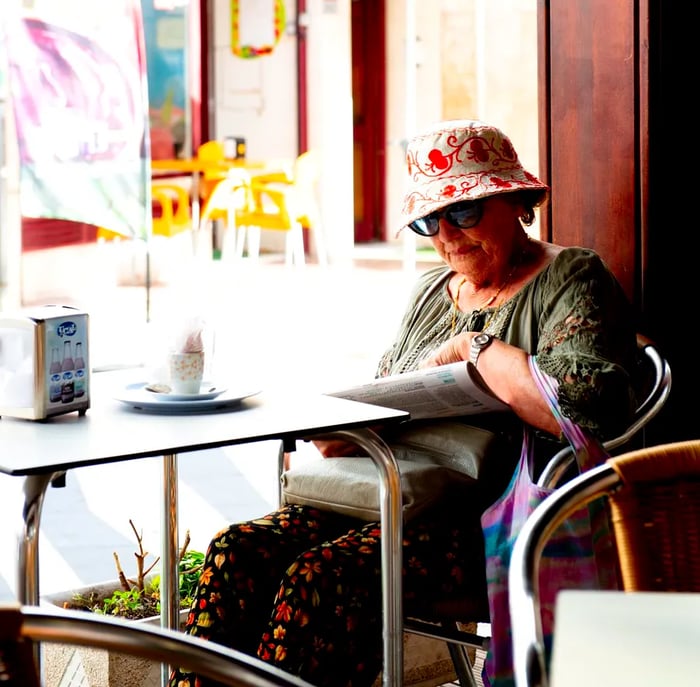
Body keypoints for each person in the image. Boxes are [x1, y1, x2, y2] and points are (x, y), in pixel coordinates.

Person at [168, 119, 641, 687]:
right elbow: (385, 396)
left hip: (488, 515)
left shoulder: (570, 275)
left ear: (518, 201)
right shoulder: (428, 291)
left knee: (319, 576)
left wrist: (477, 350)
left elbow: (582, 415)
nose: (447, 235)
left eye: (464, 212)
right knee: (235, 551)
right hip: (388, 491)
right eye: (428, 220)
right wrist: (341, 427)